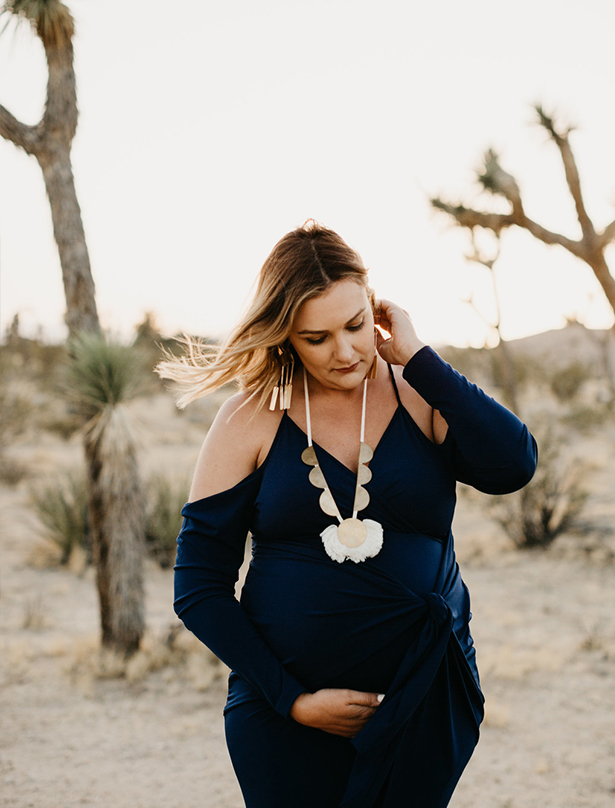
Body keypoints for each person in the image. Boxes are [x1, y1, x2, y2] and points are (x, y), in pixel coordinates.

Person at [158, 222, 537, 808]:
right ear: (286, 336)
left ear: (375, 306)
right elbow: (198, 584)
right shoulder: (249, 418)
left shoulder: (419, 393)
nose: (344, 351)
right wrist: (292, 699)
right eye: (317, 337)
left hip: (422, 700)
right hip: (285, 718)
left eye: (356, 325)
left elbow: (513, 465)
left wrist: (419, 360)